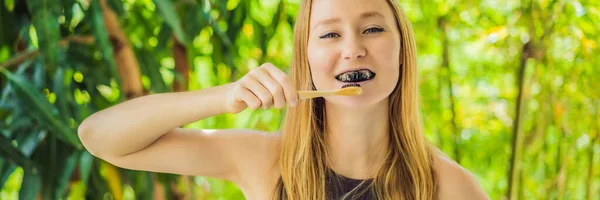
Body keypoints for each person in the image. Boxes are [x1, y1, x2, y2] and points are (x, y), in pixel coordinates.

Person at [78, 0, 489, 199]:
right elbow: (98, 135)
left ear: (404, 49)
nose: (353, 49)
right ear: (305, 58)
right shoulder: (265, 161)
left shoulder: (451, 187)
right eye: (330, 34)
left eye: (373, 30)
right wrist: (226, 96)